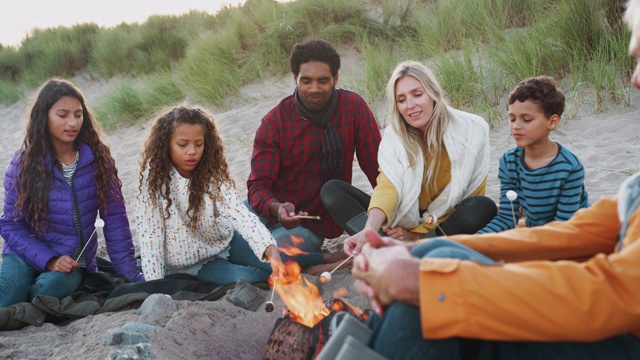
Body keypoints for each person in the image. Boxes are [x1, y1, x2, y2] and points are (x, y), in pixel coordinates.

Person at [347, 3, 640, 358]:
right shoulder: (405, 140)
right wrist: (415, 252)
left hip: (618, 333)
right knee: (433, 253)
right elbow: (577, 233)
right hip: (419, 223)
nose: (635, 77)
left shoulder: (487, 137)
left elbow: (617, 292)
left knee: (421, 304)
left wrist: (425, 282)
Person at [0, 79, 144, 308]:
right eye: (63, 114)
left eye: (78, 114)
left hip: (72, 261)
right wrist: (49, 260)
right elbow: (10, 225)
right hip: (25, 253)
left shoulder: (98, 157)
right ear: (44, 117)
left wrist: (131, 274)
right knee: (6, 299)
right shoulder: (24, 163)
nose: (72, 122)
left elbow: (115, 219)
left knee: (46, 293)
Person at [337, 61, 496, 257]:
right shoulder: (394, 138)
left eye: (417, 94)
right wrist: (370, 228)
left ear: (433, 93)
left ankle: (416, 245)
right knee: (334, 191)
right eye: (401, 99)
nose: (410, 105)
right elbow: (388, 187)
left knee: (482, 206)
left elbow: (470, 194)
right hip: (404, 214)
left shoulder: (472, 130)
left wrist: (416, 235)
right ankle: (375, 239)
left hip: (441, 222)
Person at [247, 39, 381, 259]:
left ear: (335, 78)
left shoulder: (353, 107)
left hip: (313, 224)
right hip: (269, 209)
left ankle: (321, 259)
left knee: (272, 254)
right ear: (295, 79)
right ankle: (324, 261)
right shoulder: (275, 121)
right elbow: (257, 186)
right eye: (306, 81)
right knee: (227, 238)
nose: (314, 89)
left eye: (323, 81)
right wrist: (278, 208)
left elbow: (378, 170)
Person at [135, 106, 294, 285]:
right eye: (182, 145)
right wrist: (155, 285)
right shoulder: (154, 181)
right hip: (191, 264)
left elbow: (239, 214)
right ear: (166, 145)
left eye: (198, 144)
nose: (192, 151)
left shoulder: (210, 172)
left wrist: (272, 253)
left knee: (283, 263)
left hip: (222, 242)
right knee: (250, 278)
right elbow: (150, 236)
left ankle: (319, 261)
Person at [478, 76, 589, 233]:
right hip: (537, 233)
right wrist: (473, 240)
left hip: (575, 233)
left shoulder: (569, 167)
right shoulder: (509, 162)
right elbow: (507, 218)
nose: (516, 126)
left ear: (552, 122)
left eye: (527, 120)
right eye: (512, 119)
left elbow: (563, 226)